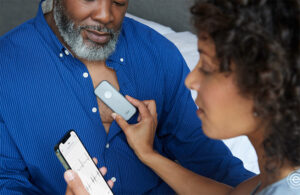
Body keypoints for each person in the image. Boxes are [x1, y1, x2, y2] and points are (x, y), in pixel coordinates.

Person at [0, 0, 254, 194]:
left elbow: (208, 158)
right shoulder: (6, 67)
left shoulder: (158, 53)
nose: (106, 15)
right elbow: (6, 182)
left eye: (119, 1)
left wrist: (276, 186)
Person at [66, 0, 300, 194]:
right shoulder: (281, 173)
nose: (190, 80)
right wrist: (149, 155)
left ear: (265, 88)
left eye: (207, 68)